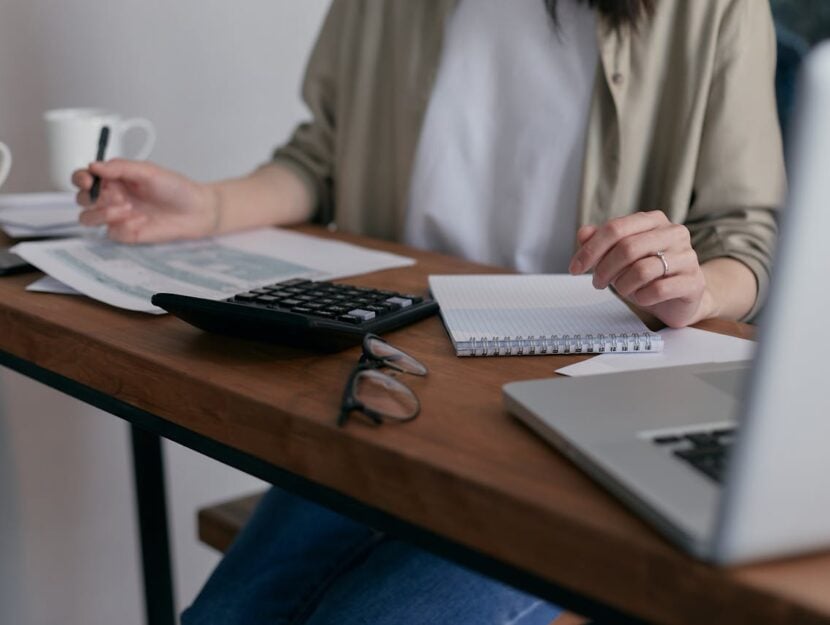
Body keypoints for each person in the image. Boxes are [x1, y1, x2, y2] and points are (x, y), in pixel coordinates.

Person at [73, 0, 785, 623]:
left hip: (578, 416)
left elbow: (745, 236)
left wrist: (694, 288)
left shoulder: (713, 7)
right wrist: (211, 206)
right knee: (221, 616)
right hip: (390, 385)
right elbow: (321, 157)